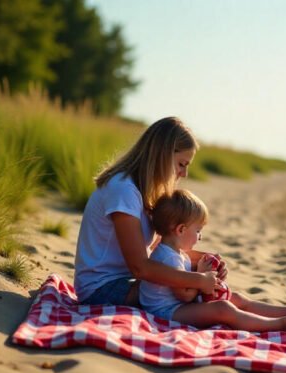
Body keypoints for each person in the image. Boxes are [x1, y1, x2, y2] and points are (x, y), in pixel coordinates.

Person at [74, 117, 225, 307]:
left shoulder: (146, 190)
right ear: (163, 156)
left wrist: (206, 261)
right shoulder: (123, 190)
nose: (184, 173)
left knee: (203, 290)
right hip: (100, 289)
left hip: (126, 280)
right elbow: (140, 267)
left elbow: (163, 250)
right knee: (190, 294)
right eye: (181, 164)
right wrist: (199, 280)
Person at [141, 189, 286, 332]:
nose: (200, 237)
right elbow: (185, 295)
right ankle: (279, 324)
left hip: (177, 306)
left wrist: (206, 278)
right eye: (197, 231)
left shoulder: (176, 252)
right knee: (223, 308)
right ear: (181, 230)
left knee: (236, 298)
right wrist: (201, 276)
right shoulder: (169, 258)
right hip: (167, 312)